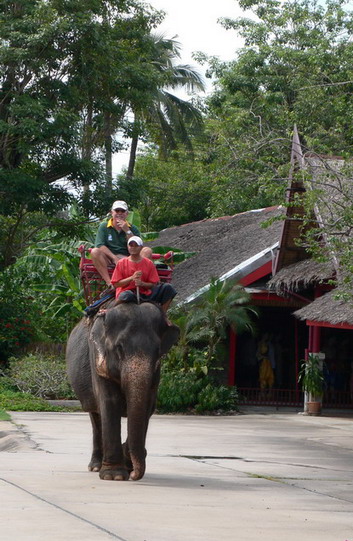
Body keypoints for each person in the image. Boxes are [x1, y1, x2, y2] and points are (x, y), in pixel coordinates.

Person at [111, 236, 177, 315]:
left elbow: (153, 284)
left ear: (141, 247)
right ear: (128, 247)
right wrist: (131, 278)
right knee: (127, 294)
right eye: (131, 245)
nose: (133, 247)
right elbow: (116, 284)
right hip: (128, 293)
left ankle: (163, 315)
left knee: (168, 288)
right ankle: (110, 310)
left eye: (136, 245)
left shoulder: (148, 263)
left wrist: (142, 284)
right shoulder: (121, 263)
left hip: (145, 293)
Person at [90, 200, 148, 288]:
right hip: (109, 258)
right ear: (111, 213)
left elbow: (136, 247)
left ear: (127, 214)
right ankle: (110, 284)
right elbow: (100, 245)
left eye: (122, 211)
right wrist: (114, 258)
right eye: (117, 211)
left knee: (147, 251)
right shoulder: (104, 226)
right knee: (95, 251)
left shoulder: (133, 228)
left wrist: (127, 231)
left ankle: (142, 282)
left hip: (130, 258)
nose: (119, 213)